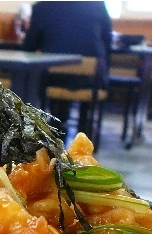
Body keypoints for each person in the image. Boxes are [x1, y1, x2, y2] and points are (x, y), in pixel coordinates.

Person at [22, 1, 112, 138]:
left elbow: (29, 46)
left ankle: (56, 125)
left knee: (42, 76)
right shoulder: (97, 5)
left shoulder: (43, 7)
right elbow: (107, 41)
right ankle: (84, 125)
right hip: (90, 81)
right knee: (91, 72)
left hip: (52, 80)